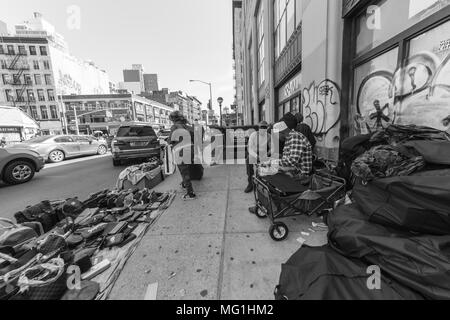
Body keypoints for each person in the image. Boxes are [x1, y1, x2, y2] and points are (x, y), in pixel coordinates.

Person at [169, 111, 197, 201]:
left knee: (184, 172)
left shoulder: (175, 127)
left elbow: (170, 140)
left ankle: (190, 193)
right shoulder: (188, 126)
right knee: (187, 168)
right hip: (191, 149)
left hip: (181, 151)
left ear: (173, 119)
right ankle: (185, 184)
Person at [245, 121, 270, 193]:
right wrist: (256, 156)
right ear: (258, 128)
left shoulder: (268, 136)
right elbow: (249, 148)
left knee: (270, 161)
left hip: (264, 154)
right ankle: (250, 183)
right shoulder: (253, 135)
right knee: (248, 159)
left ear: (267, 128)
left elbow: (272, 148)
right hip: (254, 153)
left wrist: (268, 153)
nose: (262, 129)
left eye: (264, 127)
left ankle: (262, 182)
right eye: (261, 127)